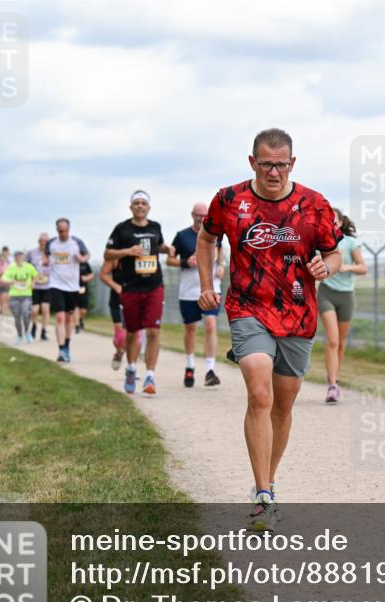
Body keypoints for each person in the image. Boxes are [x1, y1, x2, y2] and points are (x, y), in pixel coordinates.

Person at [197, 128, 342, 531]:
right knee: (259, 392)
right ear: (252, 163)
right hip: (248, 307)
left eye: (281, 164)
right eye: (266, 164)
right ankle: (263, 495)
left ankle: (269, 478)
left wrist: (324, 267)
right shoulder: (229, 200)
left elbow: (334, 254)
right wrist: (208, 284)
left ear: (292, 163)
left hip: (298, 313)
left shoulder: (314, 205)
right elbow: (206, 239)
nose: (274, 172)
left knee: (283, 404)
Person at [104, 190, 175, 394]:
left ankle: (150, 376)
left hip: (154, 285)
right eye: (137, 203)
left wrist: (167, 249)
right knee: (133, 332)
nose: (140, 206)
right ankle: (131, 368)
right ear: (131, 207)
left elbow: (157, 245)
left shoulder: (155, 227)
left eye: (144, 203)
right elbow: (107, 253)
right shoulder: (122, 229)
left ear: (149, 207)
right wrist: (127, 251)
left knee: (153, 331)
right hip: (131, 287)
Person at [168, 202, 226, 387]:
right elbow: (170, 259)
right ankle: (190, 365)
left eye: (204, 215)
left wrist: (222, 266)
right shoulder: (182, 236)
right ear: (192, 215)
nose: (201, 218)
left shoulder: (215, 233)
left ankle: (210, 370)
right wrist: (186, 262)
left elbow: (220, 253)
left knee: (210, 325)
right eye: (198, 215)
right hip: (189, 291)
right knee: (190, 329)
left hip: (211, 288)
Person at [318, 208, 366, 403]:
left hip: (346, 296)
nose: (330, 223)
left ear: (340, 222)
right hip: (326, 293)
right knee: (332, 340)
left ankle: (335, 377)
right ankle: (332, 385)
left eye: (333, 220)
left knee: (341, 343)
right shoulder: (321, 242)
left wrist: (345, 266)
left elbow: (363, 267)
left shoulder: (350, 242)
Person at [45, 218, 90, 362]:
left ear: (69, 229)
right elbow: (45, 257)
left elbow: (87, 255)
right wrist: (46, 262)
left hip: (72, 286)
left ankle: (67, 347)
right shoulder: (51, 243)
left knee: (68, 319)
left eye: (65, 231)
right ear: (57, 230)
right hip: (56, 284)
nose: (63, 233)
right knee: (59, 317)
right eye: (60, 231)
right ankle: (61, 350)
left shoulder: (76, 242)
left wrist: (82, 259)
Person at [0, 250, 37, 344]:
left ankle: (27, 332)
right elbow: (2, 280)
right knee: (17, 318)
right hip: (14, 295)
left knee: (25, 315)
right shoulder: (11, 268)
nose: (19, 258)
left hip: (26, 294)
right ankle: (19, 335)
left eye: (20, 256)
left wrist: (33, 283)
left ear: (23, 257)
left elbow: (35, 275)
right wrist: (11, 282)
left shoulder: (29, 267)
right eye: (17, 256)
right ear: (15, 258)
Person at [99, 259, 127, 370]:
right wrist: (115, 286)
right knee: (120, 338)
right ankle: (119, 351)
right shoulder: (114, 257)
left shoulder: (138, 255)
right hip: (117, 300)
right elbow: (103, 275)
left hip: (133, 298)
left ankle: (131, 367)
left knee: (132, 335)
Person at [27, 233, 51, 342]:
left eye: (46, 241)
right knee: (35, 310)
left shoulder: (51, 254)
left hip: (47, 285)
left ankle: (44, 331)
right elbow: (25, 267)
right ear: (39, 241)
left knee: (45, 309)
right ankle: (34, 326)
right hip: (35, 285)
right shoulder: (32, 253)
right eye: (42, 240)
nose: (44, 243)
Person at [74, 259, 94, 334]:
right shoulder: (71, 262)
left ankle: (80, 319)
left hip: (83, 288)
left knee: (83, 310)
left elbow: (91, 275)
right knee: (75, 307)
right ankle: (77, 326)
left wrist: (86, 278)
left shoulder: (85, 264)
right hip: (73, 287)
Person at [0, 246, 12, 315]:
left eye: (7, 251)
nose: (6, 253)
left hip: (6, 282)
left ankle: (3, 310)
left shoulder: (9, 262)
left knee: (5, 296)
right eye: (4, 251)